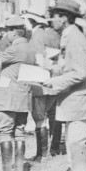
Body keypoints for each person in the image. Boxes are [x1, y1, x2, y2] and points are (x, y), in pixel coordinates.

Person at [35, 0, 86, 171]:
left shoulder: (75, 39)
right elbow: (69, 67)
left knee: (76, 142)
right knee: (74, 142)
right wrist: (51, 68)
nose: (50, 21)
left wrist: (53, 82)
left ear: (64, 18)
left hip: (81, 99)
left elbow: (80, 73)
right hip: (74, 100)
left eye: (54, 17)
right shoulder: (68, 36)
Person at [0, 15, 36, 171]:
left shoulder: (15, 49)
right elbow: (7, 60)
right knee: (19, 132)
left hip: (8, 98)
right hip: (23, 96)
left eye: (7, 32)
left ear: (13, 33)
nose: (5, 36)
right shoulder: (28, 47)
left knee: (5, 132)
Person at [24, 11, 60, 160]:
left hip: (39, 81)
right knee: (53, 116)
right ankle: (55, 149)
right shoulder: (52, 35)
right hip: (54, 81)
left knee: (40, 119)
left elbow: (39, 59)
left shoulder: (37, 35)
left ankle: (42, 155)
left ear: (32, 21)